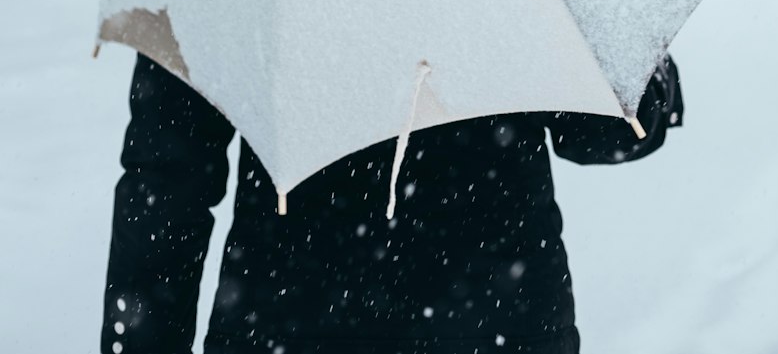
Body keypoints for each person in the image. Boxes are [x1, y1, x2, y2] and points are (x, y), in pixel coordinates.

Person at [100, 50, 683, 353]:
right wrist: (647, 68)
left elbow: (165, 186)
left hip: (284, 320)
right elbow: (608, 132)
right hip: (494, 322)